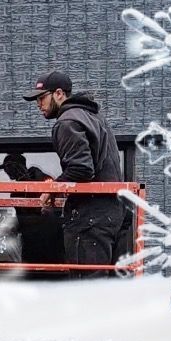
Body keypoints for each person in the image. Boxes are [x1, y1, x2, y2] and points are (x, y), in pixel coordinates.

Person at [22, 71, 125, 278]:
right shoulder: (92, 117)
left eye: (42, 98)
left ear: (59, 94)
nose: (38, 104)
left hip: (90, 215)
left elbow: (82, 169)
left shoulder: (67, 122)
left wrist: (52, 189)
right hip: (110, 211)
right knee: (98, 281)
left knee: (86, 283)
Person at [0, 153, 65, 277]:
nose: (6, 171)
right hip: (31, 239)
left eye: (8, 167)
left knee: (49, 273)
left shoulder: (41, 180)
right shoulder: (16, 191)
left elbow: (53, 205)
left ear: (15, 167)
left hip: (47, 236)